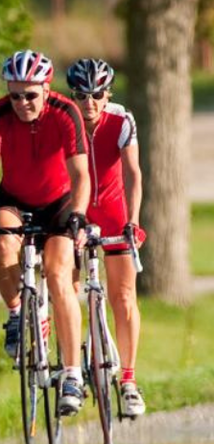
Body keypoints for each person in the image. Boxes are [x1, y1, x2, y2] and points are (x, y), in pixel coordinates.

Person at [0, 49, 91, 416]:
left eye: (30, 95)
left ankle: (72, 373)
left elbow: (81, 176)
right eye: (15, 95)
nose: (22, 103)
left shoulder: (66, 112)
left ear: (46, 88)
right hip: (15, 197)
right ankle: (17, 314)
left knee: (59, 276)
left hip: (58, 200)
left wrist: (77, 213)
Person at [66, 58, 147, 417]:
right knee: (63, 289)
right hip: (75, 213)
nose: (90, 103)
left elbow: (133, 173)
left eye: (97, 94)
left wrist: (133, 221)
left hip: (114, 214)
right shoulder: (64, 120)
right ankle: (68, 369)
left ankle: (128, 380)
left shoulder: (120, 120)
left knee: (123, 295)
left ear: (108, 93)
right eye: (82, 95)